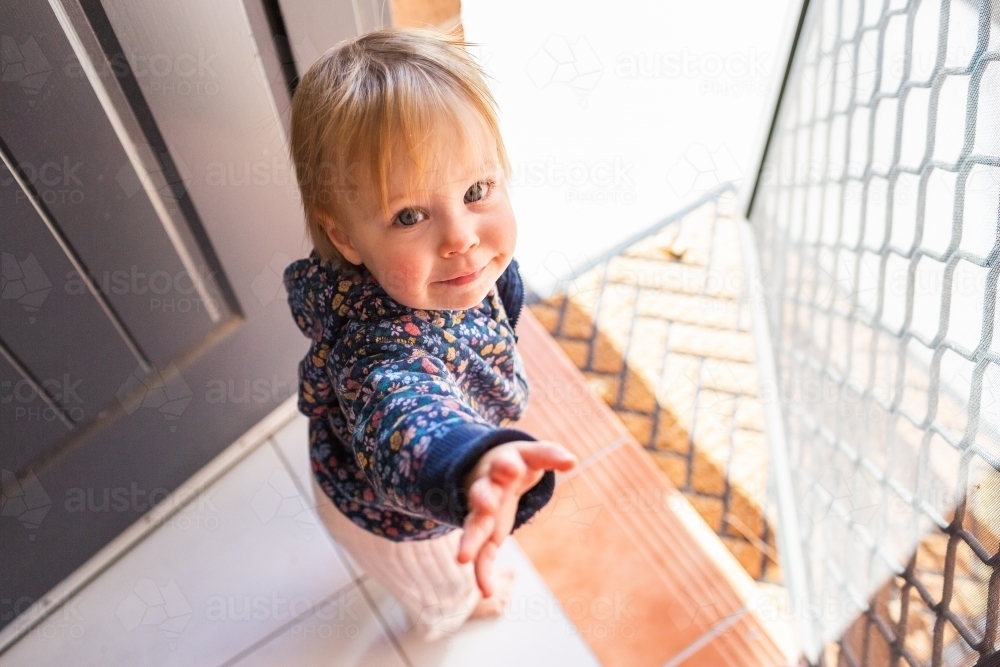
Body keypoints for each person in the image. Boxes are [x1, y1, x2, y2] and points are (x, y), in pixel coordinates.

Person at [282, 27, 577, 640]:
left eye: (477, 190)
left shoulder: (459, 272)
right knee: (445, 587)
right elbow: (406, 413)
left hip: (382, 469)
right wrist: (474, 464)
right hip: (401, 523)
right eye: (410, 215)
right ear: (345, 238)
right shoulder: (379, 348)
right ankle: (452, 609)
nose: (461, 236)